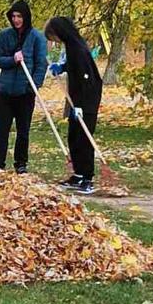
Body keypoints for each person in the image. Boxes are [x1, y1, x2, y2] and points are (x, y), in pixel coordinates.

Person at [45, 16, 103, 195]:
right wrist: (61, 67)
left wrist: (80, 106)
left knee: (84, 138)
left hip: (87, 98)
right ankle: (78, 174)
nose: (54, 41)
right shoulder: (71, 47)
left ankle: (87, 177)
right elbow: (73, 67)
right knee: (74, 135)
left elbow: (85, 77)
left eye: (53, 37)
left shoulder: (77, 48)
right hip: (77, 99)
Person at [0, 0, 47, 173]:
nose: (16, 20)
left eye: (19, 16)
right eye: (13, 16)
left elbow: (41, 64)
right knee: (2, 129)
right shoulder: (5, 35)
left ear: (26, 17)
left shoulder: (36, 37)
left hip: (25, 91)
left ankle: (21, 163)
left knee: (23, 130)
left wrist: (34, 86)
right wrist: (12, 60)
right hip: (6, 90)